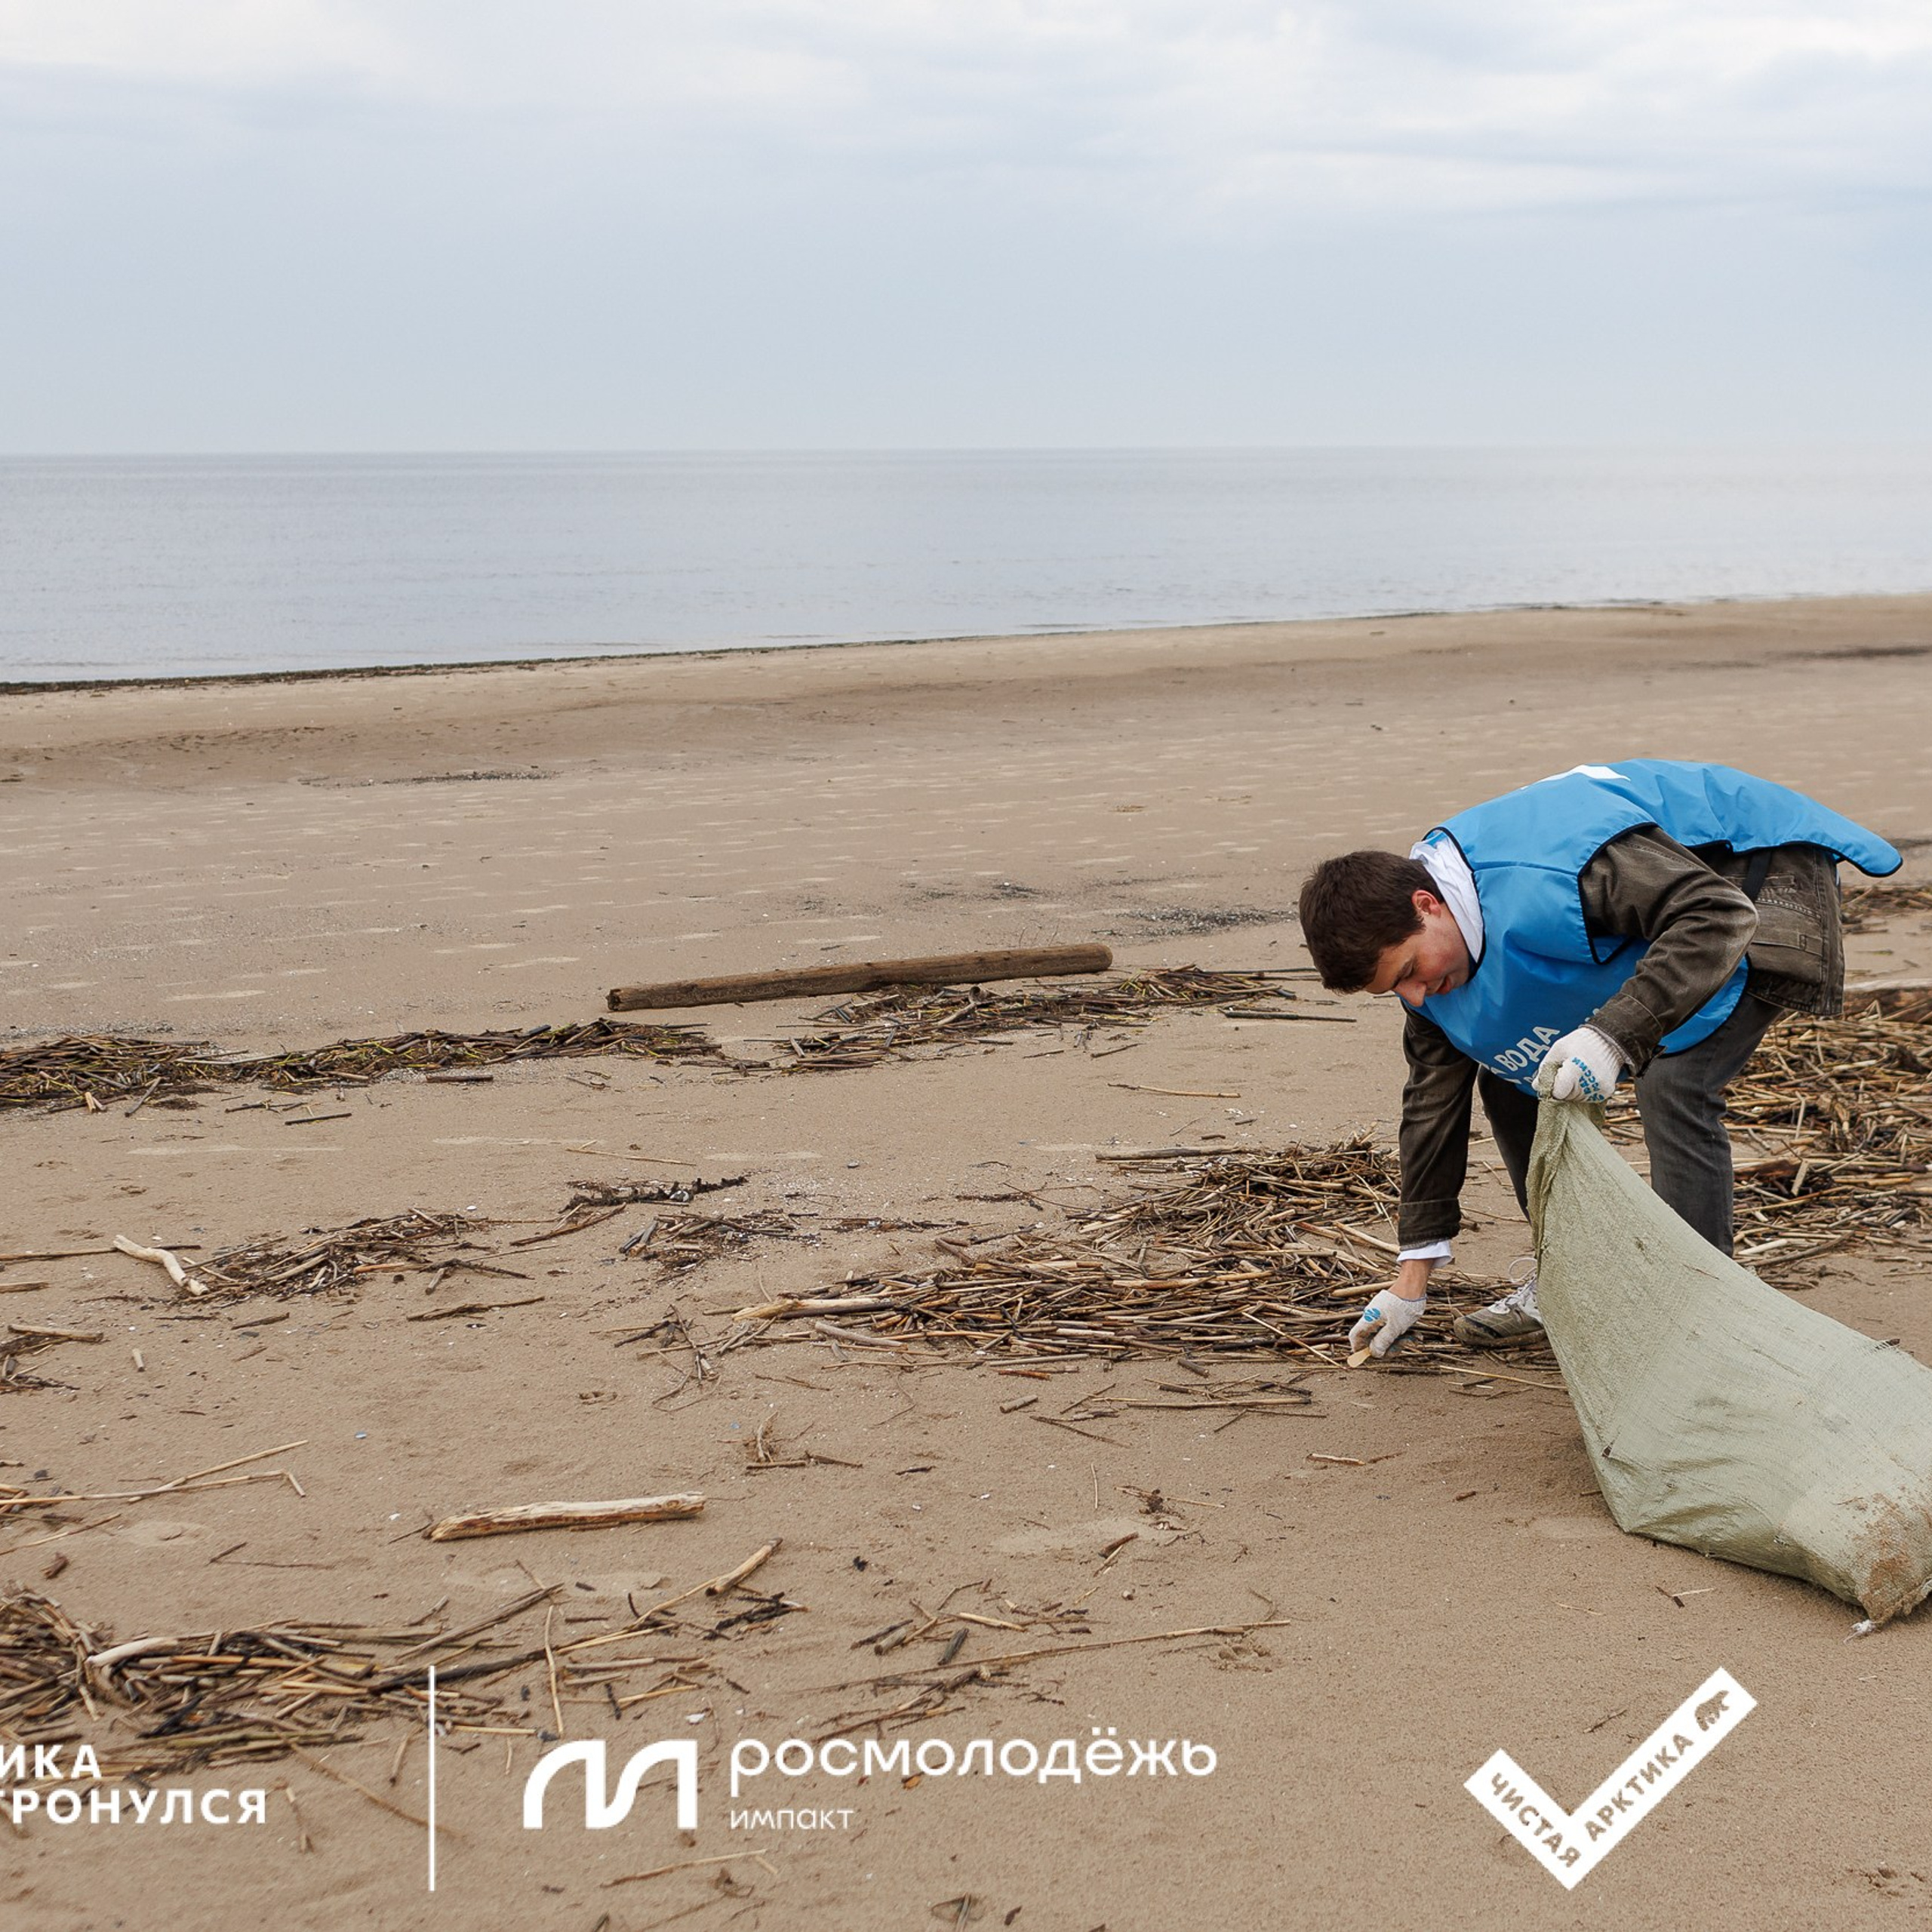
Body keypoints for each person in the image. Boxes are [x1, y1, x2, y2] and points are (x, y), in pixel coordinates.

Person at [1294, 760, 1900, 1358]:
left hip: (1751, 871)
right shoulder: (1426, 973)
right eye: (1393, 991)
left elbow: (1716, 915)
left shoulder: (1555, 870)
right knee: (1515, 1077)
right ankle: (1569, 1282)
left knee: (1675, 1083)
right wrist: (1412, 1276)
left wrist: (1613, 1036)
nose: (1415, 998)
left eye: (1408, 972)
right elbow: (1431, 1103)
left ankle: (1705, 1314)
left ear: (1427, 904)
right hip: (1661, 914)